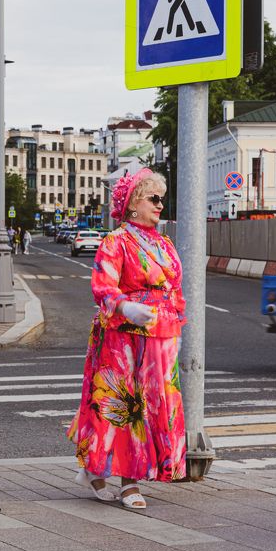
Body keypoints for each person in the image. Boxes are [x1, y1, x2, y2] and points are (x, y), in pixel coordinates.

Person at [66, 168, 187, 509]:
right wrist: (126, 307)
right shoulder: (115, 241)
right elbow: (102, 287)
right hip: (122, 338)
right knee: (122, 408)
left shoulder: (164, 243)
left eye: (162, 198)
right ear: (134, 202)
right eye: (154, 198)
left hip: (160, 338)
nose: (160, 204)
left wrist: (173, 325)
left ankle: (99, 472)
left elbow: (175, 289)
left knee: (154, 407)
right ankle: (127, 482)